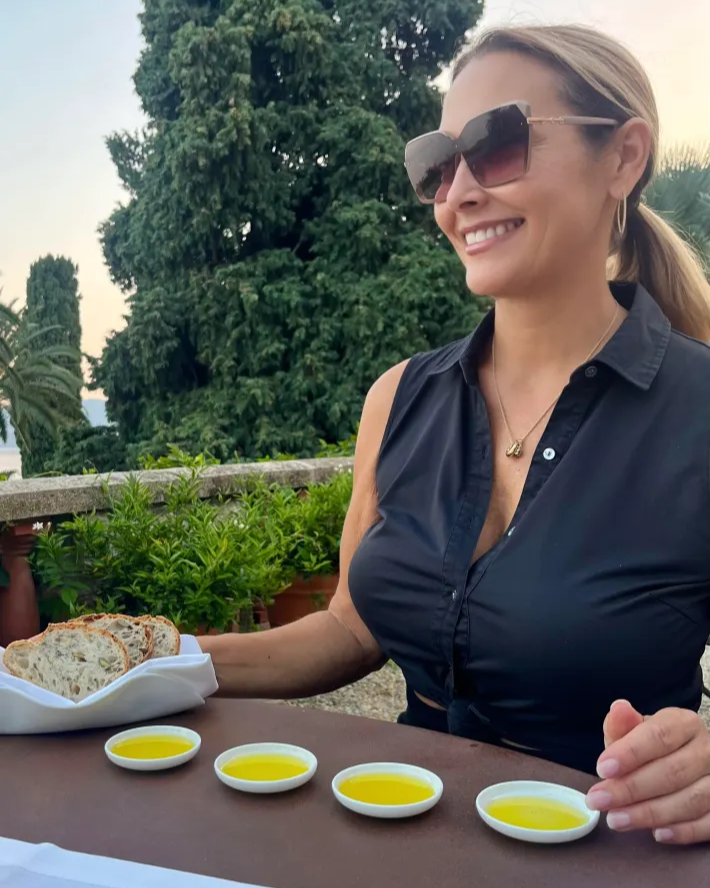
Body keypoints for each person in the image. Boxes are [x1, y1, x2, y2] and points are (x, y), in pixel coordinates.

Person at [199, 24, 710, 844]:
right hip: (401, 843)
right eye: (438, 164)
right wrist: (155, 661)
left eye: (498, 143)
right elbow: (350, 627)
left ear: (623, 157)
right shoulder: (398, 399)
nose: (457, 193)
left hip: (612, 861)